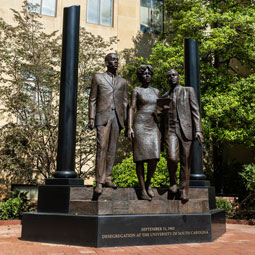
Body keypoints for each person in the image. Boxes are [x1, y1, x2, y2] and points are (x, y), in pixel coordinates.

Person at [160, 69, 203, 202]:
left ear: (178, 77)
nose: (172, 77)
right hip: (171, 130)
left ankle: (183, 190)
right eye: (169, 76)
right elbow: (161, 118)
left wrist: (198, 130)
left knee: (185, 161)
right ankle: (173, 182)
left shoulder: (188, 91)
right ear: (167, 80)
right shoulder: (164, 96)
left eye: (174, 75)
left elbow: (196, 111)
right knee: (172, 158)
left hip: (186, 130)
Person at [88, 53, 128, 194]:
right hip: (102, 117)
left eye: (117, 59)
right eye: (113, 59)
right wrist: (91, 118)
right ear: (106, 62)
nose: (116, 61)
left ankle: (108, 178)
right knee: (102, 147)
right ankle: (99, 181)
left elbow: (124, 102)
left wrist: (128, 123)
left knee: (112, 149)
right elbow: (92, 99)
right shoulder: (98, 77)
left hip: (117, 117)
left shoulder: (123, 82)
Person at [128, 65, 161, 201]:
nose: (147, 75)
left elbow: (159, 108)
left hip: (153, 125)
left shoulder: (157, 91)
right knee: (140, 159)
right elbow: (132, 108)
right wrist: (129, 127)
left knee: (154, 157)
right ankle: (142, 189)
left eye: (149, 73)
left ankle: (148, 183)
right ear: (140, 76)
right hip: (140, 124)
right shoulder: (136, 90)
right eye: (144, 73)